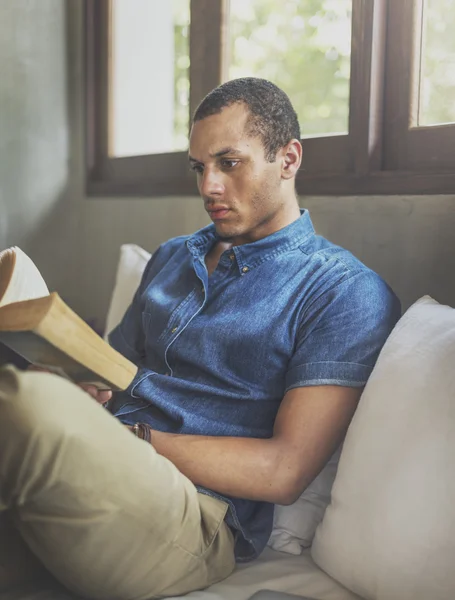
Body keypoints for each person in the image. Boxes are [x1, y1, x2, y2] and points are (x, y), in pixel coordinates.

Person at [0, 78, 400, 599]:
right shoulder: (172, 257)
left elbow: (284, 471)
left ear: (289, 158)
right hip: (95, 472)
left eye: (229, 163)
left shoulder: (343, 291)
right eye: (199, 167)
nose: (208, 186)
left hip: (193, 516)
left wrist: (131, 438)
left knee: (29, 405)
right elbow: (109, 369)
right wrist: (76, 383)